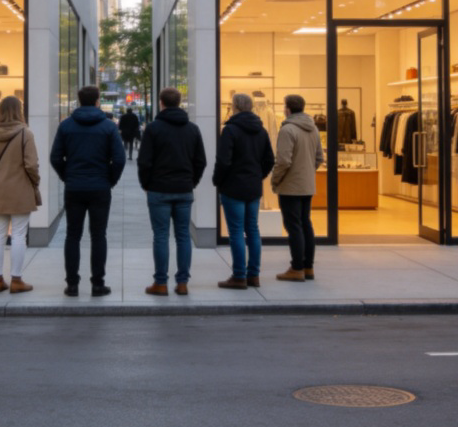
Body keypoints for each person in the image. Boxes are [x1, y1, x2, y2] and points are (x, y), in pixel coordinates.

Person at [50, 84, 126, 297]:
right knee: (98, 235)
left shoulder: (66, 126)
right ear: (97, 101)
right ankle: (97, 284)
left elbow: (55, 157)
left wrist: (67, 176)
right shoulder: (109, 127)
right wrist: (110, 179)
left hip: (74, 187)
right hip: (100, 187)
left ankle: (72, 284)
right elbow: (119, 159)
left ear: (78, 100)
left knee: (72, 235)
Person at [137, 87, 206, 296]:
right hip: (184, 189)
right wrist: (191, 182)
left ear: (161, 103)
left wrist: (146, 184)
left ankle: (161, 283)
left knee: (160, 236)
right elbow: (200, 161)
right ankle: (182, 282)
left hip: (159, 189)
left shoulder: (153, 129)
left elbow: (144, 162)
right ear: (180, 102)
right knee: (183, 236)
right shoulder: (192, 129)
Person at [212, 92, 275, 289]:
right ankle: (253, 275)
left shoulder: (230, 130)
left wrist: (218, 181)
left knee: (236, 232)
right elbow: (269, 160)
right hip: (253, 187)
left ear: (235, 107)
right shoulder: (261, 131)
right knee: (253, 230)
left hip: (233, 187)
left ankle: (239, 276)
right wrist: (259, 175)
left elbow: (223, 161)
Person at [0, 96, 40, 294]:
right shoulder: (25, 133)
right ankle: (16, 279)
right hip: (21, 189)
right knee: (19, 235)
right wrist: (35, 181)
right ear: (19, 110)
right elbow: (31, 164)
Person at [271, 94, 324, 282]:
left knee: (293, 226)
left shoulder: (288, 129)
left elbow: (283, 161)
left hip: (290, 186)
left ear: (288, 109)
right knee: (305, 223)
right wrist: (307, 172)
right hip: (307, 185)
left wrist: (275, 180)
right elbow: (319, 158)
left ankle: (297, 268)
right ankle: (308, 267)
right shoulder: (313, 128)